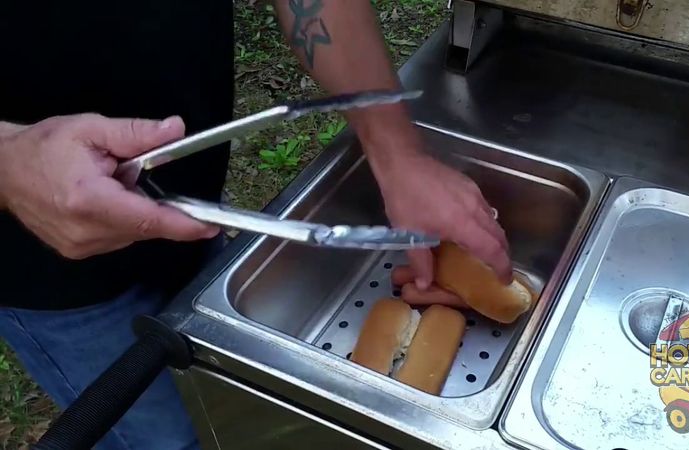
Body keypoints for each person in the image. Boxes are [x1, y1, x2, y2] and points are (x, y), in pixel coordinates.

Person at [0, 1, 511, 449]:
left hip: (187, 201)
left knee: (233, 416)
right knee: (173, 439)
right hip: (46, 268)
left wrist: (397, 153)